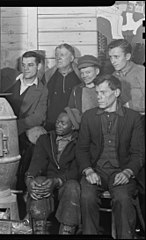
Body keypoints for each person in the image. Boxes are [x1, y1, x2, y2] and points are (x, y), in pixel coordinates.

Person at [76, 74, 145, 238]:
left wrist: (128, 172)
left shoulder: (133, 118)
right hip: (95, 171)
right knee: (86, 196)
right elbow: (81, 149)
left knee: (123, 198)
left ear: (117, 93)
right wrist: (88, 171)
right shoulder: (89, 116)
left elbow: (138, 153)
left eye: (103, 93)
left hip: (121, 171)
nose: (99, 97)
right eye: (97, 93)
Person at [25, 107, 81, 235]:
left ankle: (67, 230)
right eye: (57, 122)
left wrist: (57, 181)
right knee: (38, 182)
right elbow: (36, 164)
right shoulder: (45, 139)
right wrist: (29, 180)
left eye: (63, 123)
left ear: (73, 127)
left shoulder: (79, 143)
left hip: (65, 184)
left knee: (73, 187)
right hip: (47, 184)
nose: (58, 125)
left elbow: (76, 170)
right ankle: (39, 229)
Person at [5, 51, 48, 191]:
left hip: (23, 130)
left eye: (30, 65)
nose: (26, 69)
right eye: (23, 65)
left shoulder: (42, 90)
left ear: (39, 66)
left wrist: (16, 126)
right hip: (6, 129)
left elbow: (39, 116)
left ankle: (21, 188)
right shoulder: (12, 82)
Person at [43, 43, 81, 131]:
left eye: (62, 55)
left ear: (71, 58)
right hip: (51, 123)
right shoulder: (48, 75)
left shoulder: (79, 75)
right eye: (56, 55)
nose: (58, 58)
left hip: (72, 124)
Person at [108, 39, 145, 117]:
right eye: (111, 57)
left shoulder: (141, 72)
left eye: (116, 57)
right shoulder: (114, 75)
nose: (112, 61)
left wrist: (130, 105)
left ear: (127, 56)